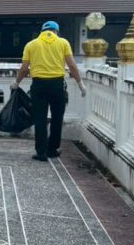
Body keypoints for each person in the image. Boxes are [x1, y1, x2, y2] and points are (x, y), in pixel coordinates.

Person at [11, 20, 86, 161]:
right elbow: (72, 65)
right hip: (57, 85)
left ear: (42, 31)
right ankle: (52, 149)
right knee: (57, 118)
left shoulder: (31, 44)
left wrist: (16, 83)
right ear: (56, 31)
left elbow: (24, 69)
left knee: (40, 118)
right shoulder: (63, 43)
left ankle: (41, 152)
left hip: (38, 85)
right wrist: (80, 84)